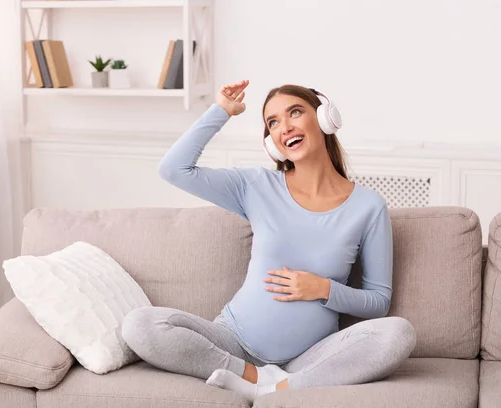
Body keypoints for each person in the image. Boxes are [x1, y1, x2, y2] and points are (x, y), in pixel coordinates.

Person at [121, 79, 417, 403]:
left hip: (311, 356)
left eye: (295, 113)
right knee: (139, 324)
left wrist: (323, 289)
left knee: (398, 333)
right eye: (273, 122)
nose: (285, 127)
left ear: (323, 118)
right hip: (233, 341)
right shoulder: (256, 186)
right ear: (272, 142)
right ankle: (255, 379)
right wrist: (221, 111)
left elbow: (378, 301)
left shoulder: (368, 207)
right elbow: (173, 169)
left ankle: (282, 387)